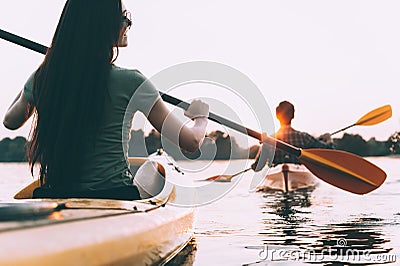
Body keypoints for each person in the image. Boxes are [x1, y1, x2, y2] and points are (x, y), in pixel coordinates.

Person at [3, 0, 209, 200]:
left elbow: (10, 121)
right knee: (156, 165)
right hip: (115, 193)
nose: (129, 24)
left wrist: (46, 69)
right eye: (124, 18)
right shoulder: (132, 82)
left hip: (56, 193)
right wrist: (200, 118)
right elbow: (190, 142)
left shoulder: (43, 78)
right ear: (103, 24)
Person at [252, 100, 334, 170]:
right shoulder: (304, 137)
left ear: (277, 116)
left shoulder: (269, 140)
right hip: (299, 171)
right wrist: (328, 138)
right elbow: (329, 149)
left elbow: (257, 167)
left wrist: (264, 145)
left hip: (276, 171)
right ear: (293, 116)